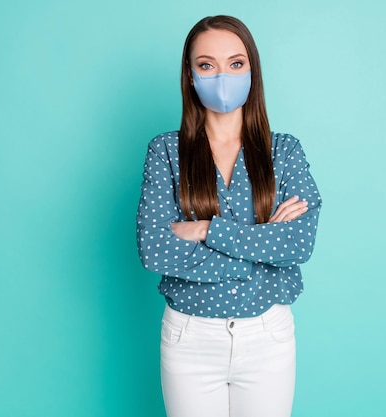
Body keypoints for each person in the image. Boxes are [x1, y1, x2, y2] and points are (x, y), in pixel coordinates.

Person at [136, 15, 321, 417]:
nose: (222, 76)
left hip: (267, 336)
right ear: (189, 76)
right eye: (207, 65)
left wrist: (206, 229)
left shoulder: (284, 152)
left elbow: (297, 244)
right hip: (190, 337)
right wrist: (260, 248)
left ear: (252, 70)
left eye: (236, 64)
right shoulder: (166, 152)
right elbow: (155, 251)